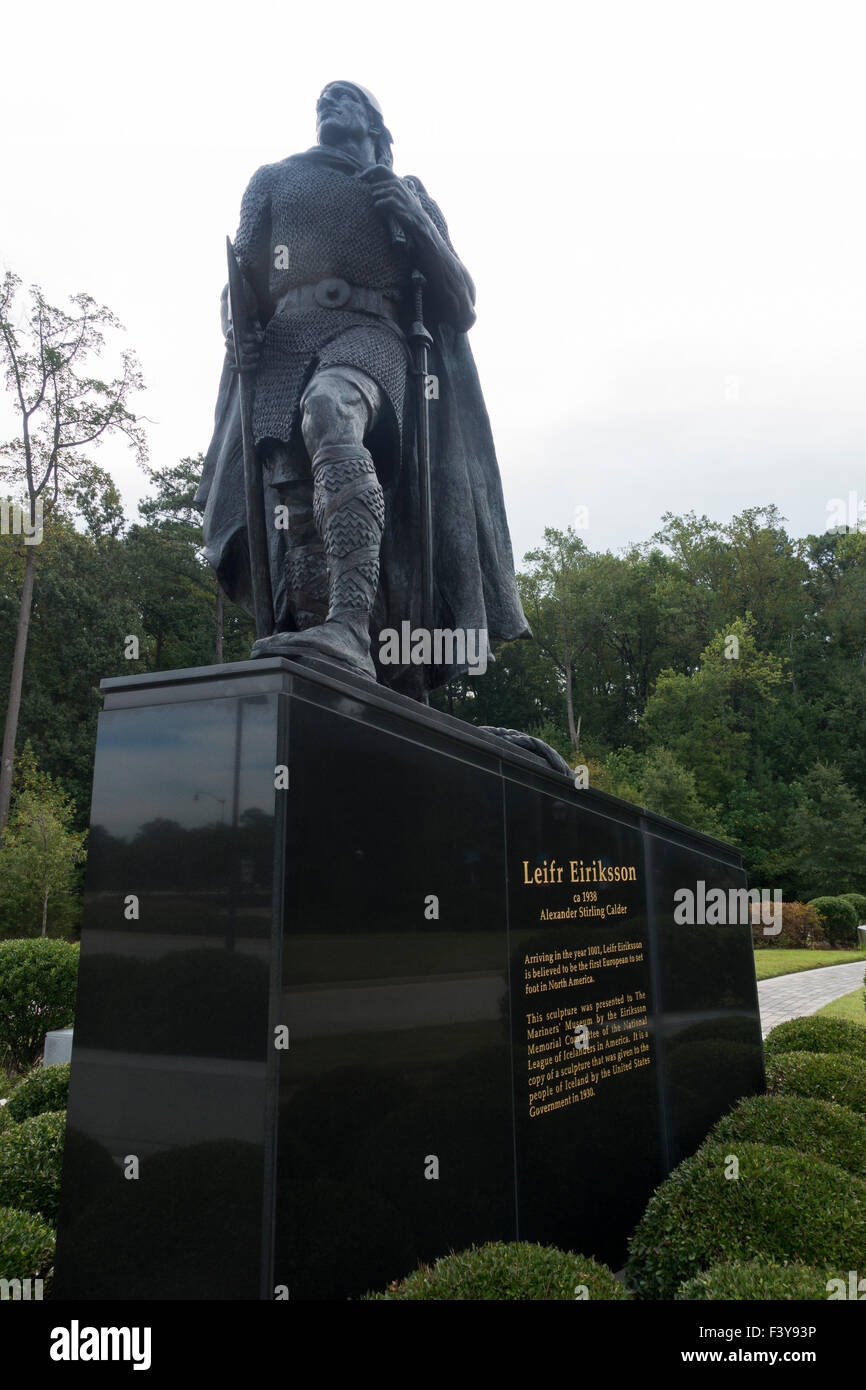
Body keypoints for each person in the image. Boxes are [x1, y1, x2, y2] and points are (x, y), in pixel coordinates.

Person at [197, 81, 529, 697]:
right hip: (284, 344)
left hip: (371, 334)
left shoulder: (407, 194)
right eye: (322, 99)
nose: (327, 103)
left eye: (344, 98)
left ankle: (350, 628)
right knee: (294, 513)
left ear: (376, 124)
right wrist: (234, 329)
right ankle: (323, 643)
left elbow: (461, 300)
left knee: (331, 408)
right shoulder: (273, 179)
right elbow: (239, 280)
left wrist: (412, 220)